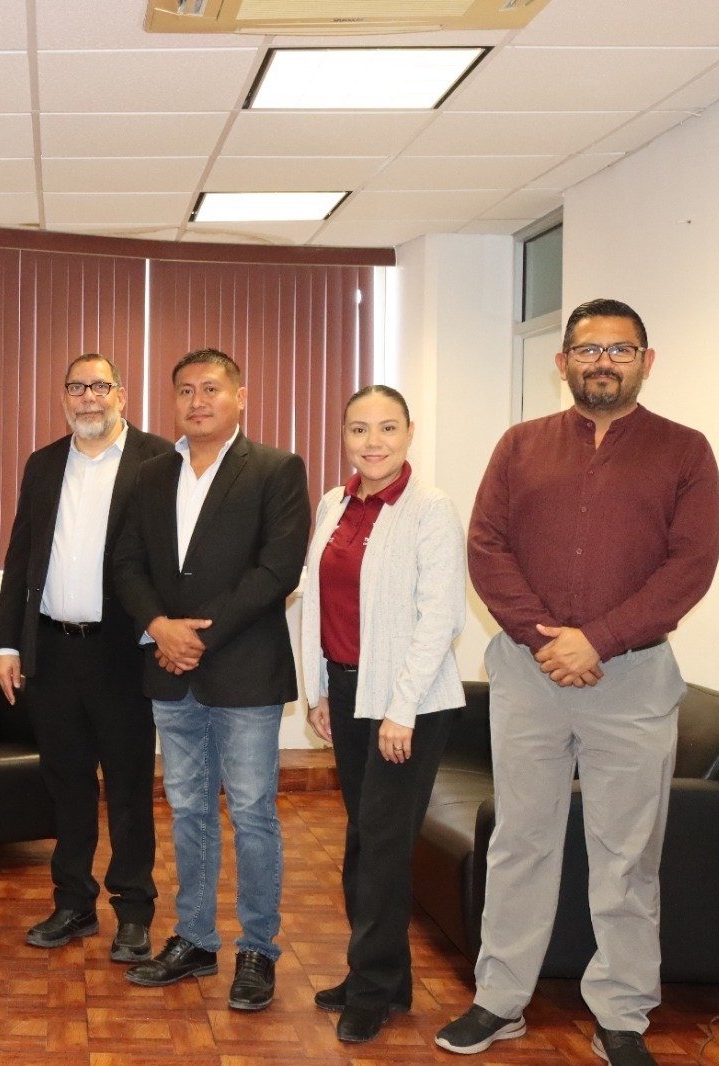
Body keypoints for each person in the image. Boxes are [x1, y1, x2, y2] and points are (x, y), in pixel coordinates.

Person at [436, 299, 719, 1065]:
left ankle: (622, 1014)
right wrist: (545, 640)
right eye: (589, 349)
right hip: (528, 675)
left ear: (646, 361)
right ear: (561, 363)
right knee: (520, 843)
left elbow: (691, 566)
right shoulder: (519, 445)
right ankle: (500, 1001)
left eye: (621, 349)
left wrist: (596, 639)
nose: (604, 361)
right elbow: (487, 547)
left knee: (627, 857)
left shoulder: (685, 451)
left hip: (633, 681)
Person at [113, 348, 309, 1010]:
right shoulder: (150, 474)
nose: (198, 401)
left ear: (240, 396)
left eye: (212, 388)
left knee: (252, 813)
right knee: (189, 809)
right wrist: (159, 626)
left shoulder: (276, 469)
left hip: (244, 672)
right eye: (186, 390)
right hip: (170, 672)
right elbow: (127, 562)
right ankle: (195, 939)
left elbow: (277, 569)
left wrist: (196, 637)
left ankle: (258, 949)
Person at [298, 384, 466, 1044]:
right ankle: (384, 977)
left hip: (407, 704)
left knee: (382, 848)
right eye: (360, 429)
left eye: (388, 428)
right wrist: (317, 692)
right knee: (365, 841)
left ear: (410, 432)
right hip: (347, 693)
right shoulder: (334, 503)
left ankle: (371, 989)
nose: (374, 442)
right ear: (343, 435)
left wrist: (402, 710)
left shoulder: (430, 508)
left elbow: (440, 618)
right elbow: (320, 601)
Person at [0, 354, 172, 961]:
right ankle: (72, 903)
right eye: (77, 387)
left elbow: (169, 559)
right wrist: (8, 642)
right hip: (52, 652)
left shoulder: (158, 459)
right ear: (64, 397)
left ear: (121, 394)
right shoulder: (44, 464)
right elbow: (21, 557)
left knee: (128, 788)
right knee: (66, 785)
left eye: (99, 386)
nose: (88, 397)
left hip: (123, 653)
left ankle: (134, 909)